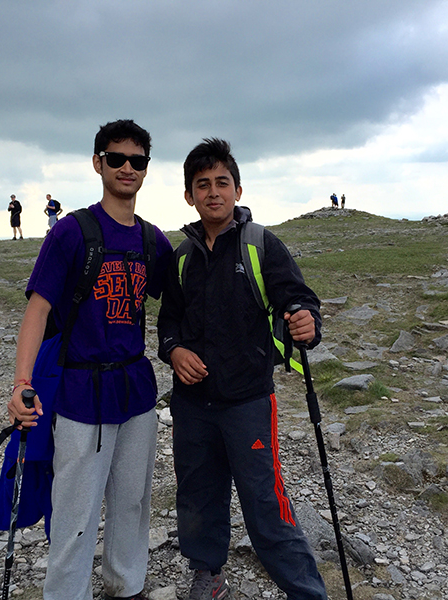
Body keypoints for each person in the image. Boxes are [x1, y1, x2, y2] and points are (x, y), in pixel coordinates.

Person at [7, 119, 172, 600]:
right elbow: (38, 310)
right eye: (116, 158)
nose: (127, 167)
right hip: (81, 394)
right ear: (98, 163)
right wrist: (20, 383)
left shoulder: (152, 240)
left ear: (146, 168)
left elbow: (186, 297)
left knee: (132, 504)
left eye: (137, 160)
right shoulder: (71, 233)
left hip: (136, 391)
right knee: (75, 512)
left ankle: (127, 587)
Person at [157, 138, 327, 600]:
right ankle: (207, 573)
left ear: (237, 189)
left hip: (249, 400)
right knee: (197, 494)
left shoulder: (261, 244)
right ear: (189, 195)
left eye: (222, 182)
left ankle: (307, 592)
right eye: (202, 184)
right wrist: (174, 351)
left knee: (265, 501)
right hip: (192, 404)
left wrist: (307, 320)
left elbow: (298, 298)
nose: (213, 192)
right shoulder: (182, 256)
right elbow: (168, 321)